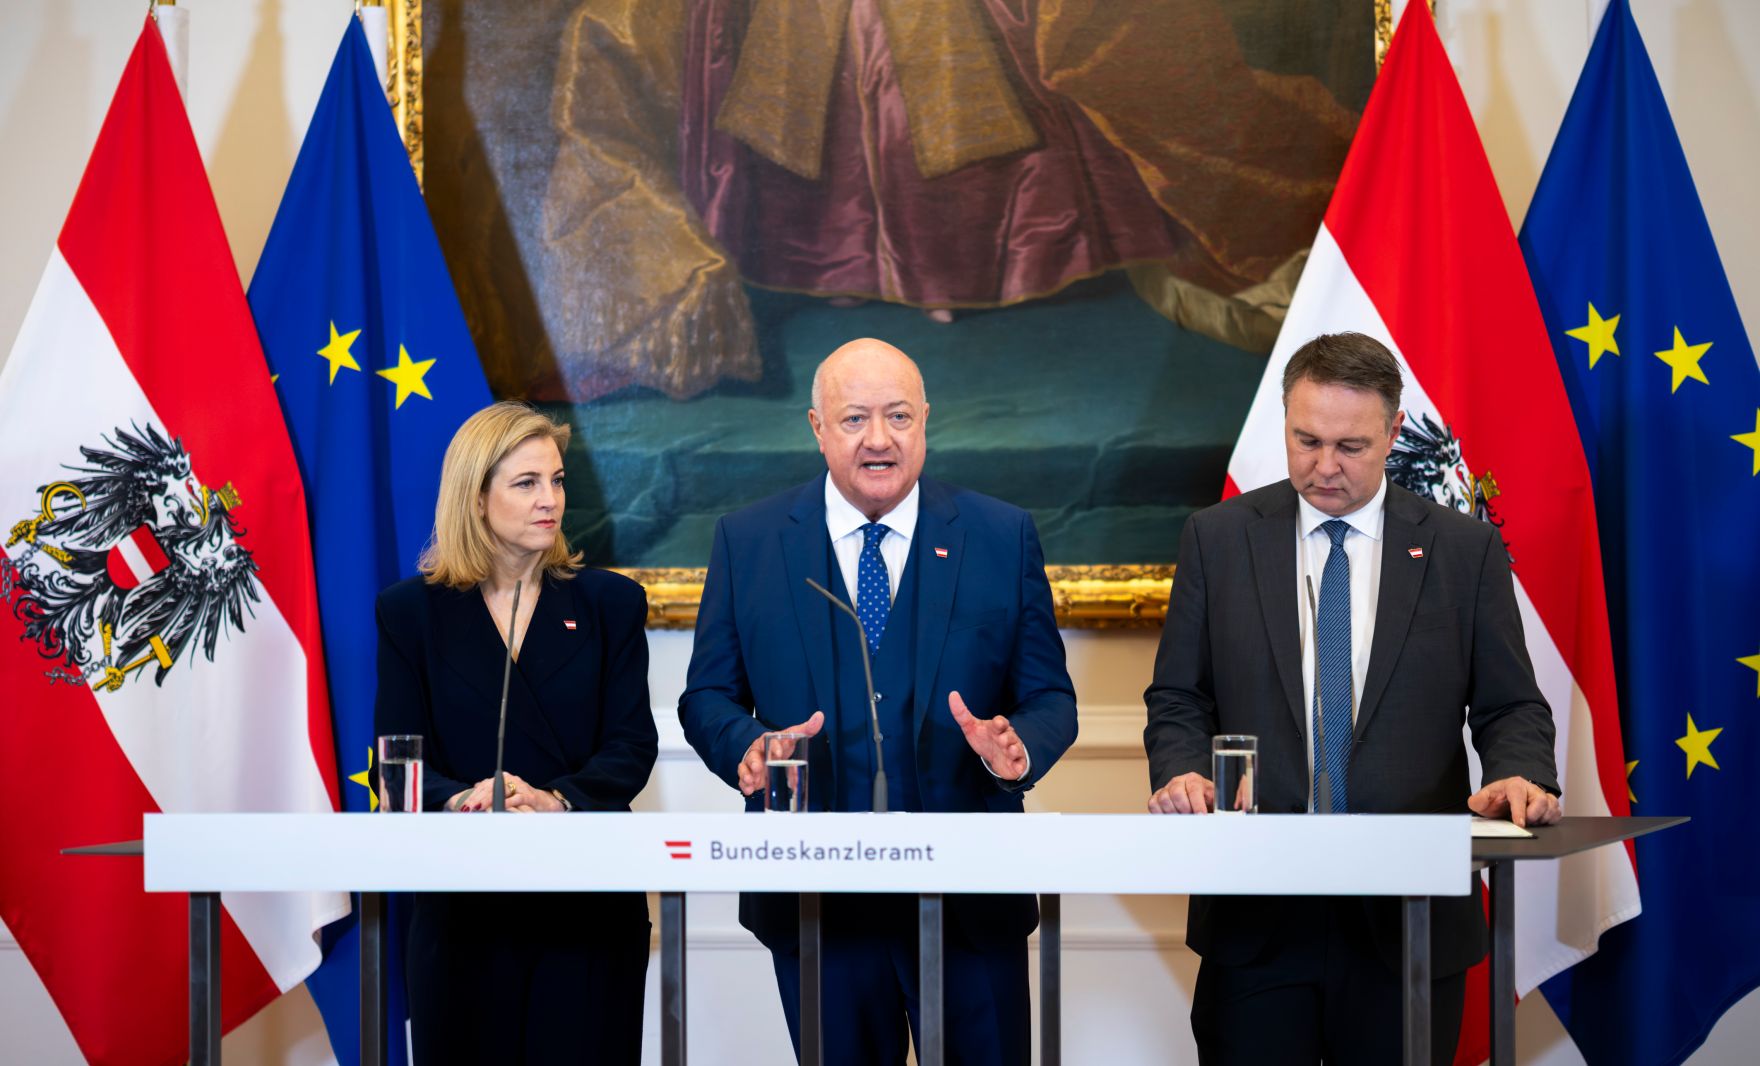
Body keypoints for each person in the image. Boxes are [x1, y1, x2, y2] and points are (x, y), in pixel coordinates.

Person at [1142, 332, 1562, 1065]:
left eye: (1351, 446)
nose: (1324, 466)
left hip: (1409, 922)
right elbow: (1179, 695)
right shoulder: (1218, 538)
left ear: (1395, 431)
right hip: (1257, 922)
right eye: (1306, 440)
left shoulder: (1464, 551)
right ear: (1284, 418)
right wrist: (1181, 772)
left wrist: (1519, 773)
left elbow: (1511, 706)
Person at [679, 337, 1078, 1064]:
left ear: (927, 420)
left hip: (972, 904)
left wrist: (1017, 748)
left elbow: (1050, 696)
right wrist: (746, 745)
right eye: (856, 419)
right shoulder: (750, 541)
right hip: (815, 907)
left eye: (898, 417)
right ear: (817, 428)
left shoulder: (999, 534)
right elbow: (706, 693)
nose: (879, 439)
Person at [375, 402, 657, 1065]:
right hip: (464, 911)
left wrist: (555, 798)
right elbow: (397, 752)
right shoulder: (411, 614)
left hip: (585, 910)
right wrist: (459, 798)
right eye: (527, 483)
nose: (550, 500)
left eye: (557, 481)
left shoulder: (608, 604)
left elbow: (631, 746)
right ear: (475, 498)